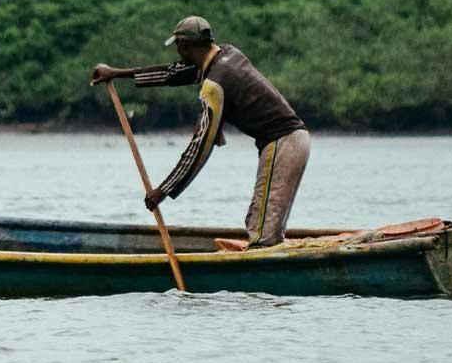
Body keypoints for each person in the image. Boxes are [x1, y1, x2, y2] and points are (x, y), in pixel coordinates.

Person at [90, 16, 310, 249]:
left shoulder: (215, 84)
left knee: (264, 236)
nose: (178, 53)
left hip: (284, 143)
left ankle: (262, 270)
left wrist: (163, 191)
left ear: (184, 46)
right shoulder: (228, 54)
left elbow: (198, 149)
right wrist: (115, 73)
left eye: (178, 47)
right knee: (261, 224)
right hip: (289, 142)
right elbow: (173, 73)